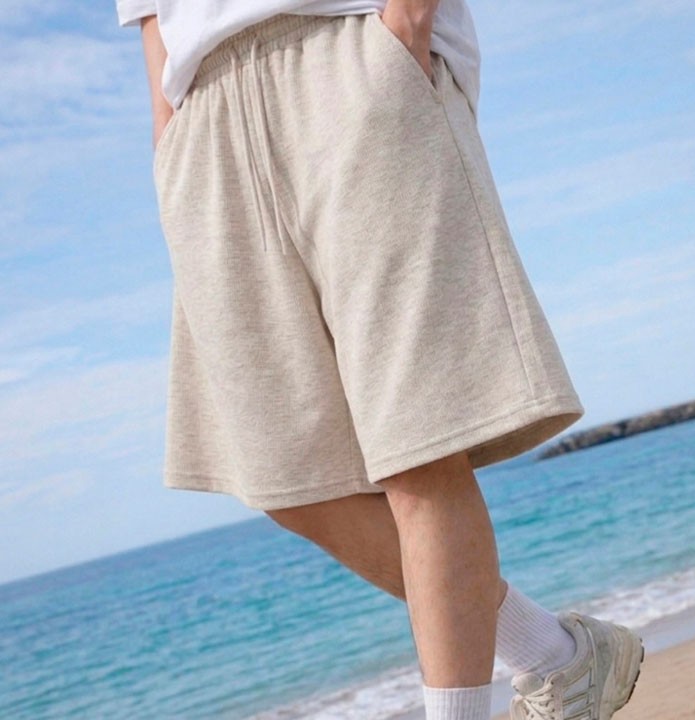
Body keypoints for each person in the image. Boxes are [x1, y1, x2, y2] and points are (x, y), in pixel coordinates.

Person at [117, 1, 645, 718]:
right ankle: (554, 655)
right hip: (202, 120)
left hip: (347, 51)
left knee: (419, 449)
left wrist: (403, 33)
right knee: (284, 478)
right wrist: (169, 145)